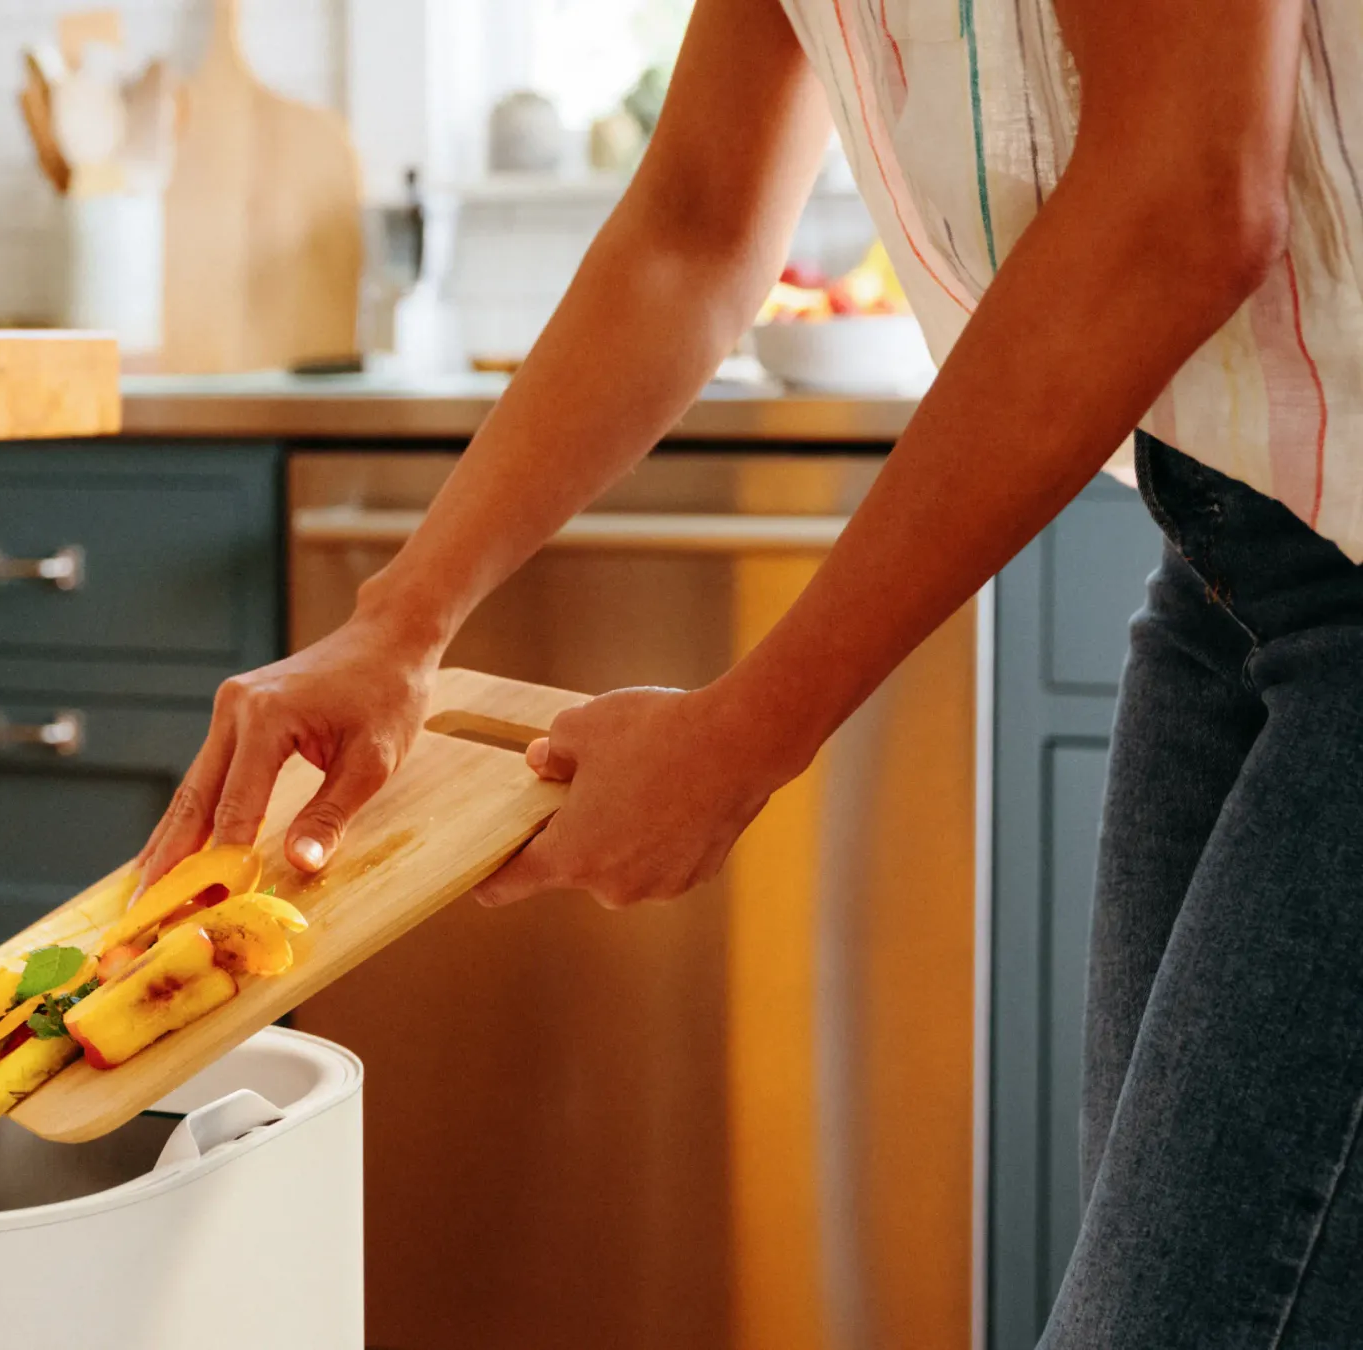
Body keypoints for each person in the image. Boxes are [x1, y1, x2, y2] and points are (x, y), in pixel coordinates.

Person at [141, 1, 1363, 1344]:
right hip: (1229, 551)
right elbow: (696, 226)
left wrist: (746, 733)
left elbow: (1185, 197)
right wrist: (399, 618)